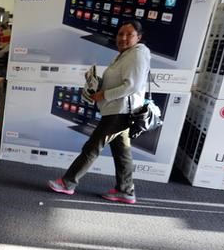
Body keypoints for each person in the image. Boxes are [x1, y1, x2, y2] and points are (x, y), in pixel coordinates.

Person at [47, 20, 150, 204]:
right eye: (120, 34)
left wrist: (103, 94)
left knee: (92, 147)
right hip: (118, 110)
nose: (123, 38)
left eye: (129, 34)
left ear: (138, 37)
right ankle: (126, 191)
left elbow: (131, 86)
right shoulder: (125, 55)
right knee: (122, 152)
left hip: (120, 112)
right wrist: (96, 82)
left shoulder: (137, 55)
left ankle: (68, 183)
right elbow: (119, 81)